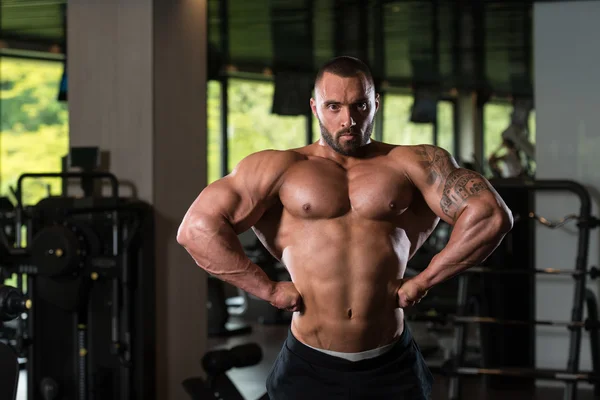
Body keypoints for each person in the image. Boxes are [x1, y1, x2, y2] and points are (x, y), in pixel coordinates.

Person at [177, 56, 513, 400]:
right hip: (308, 364)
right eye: (333, 106)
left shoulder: (413, 163)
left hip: (392, 364)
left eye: (360, 106)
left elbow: (490, 215)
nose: (348, 120)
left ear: (376, 104)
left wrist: (424, 281)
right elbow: (197, 230)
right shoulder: (279, 167)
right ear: (314, 106)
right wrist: (268, 291)